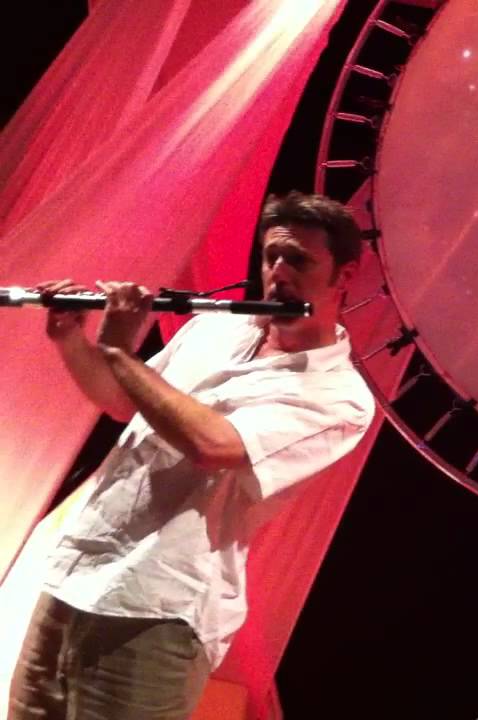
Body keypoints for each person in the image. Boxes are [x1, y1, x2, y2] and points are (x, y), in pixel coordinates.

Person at [8, 192, 375, 720]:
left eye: (298, 259)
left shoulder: (338, 396)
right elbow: (121, 401)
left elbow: (213, 446)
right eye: (271, 256)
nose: (278, 272)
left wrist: (119, 352)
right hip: (75, 572)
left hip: (156, 609)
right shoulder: (214, 329)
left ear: (344, 275)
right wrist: (73, 340)